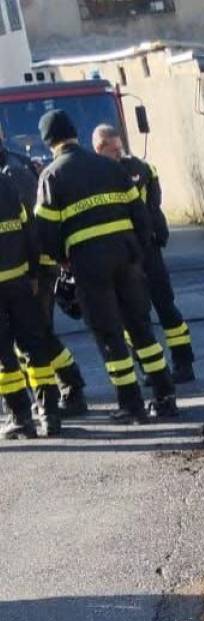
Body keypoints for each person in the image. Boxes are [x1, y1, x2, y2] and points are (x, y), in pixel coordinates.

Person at [34, 110, 178, 422]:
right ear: (74, 132)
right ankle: (165, 396)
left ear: (49, 143)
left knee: (110, 334)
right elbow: (139, 213)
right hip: (127, 258)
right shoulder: (109, 166)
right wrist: (136, 251)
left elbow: (45, 232)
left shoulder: (51, 176)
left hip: (89, 266)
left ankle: (131, 405)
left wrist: (65, 260)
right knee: (141, 328)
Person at [92, 124, 194, 383]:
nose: (118, 154)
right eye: (113, 150)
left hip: (141, 251)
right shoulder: (114, 172)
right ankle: (155, 368)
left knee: (160, 307)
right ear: (98, 148)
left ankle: (179, 364)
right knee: (137, 315)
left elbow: (149, 206)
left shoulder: (128, 171)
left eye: (119, 148)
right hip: (133, 251)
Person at [0, 140, 88, 415]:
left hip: (32, 267)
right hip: (27, 268)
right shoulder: (12, 166)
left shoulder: (12, 172)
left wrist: (36, 270)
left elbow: (29, 223)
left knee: (37, 336)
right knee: (32, 337)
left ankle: (69, 388)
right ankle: (49, 399)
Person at [0, 172, 61, 439]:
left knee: (4, 357)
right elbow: (30, 233)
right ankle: (50, 415)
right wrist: (34, 274)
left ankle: (21, 418)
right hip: (21, 283)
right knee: (34, 348)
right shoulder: (8, 186)